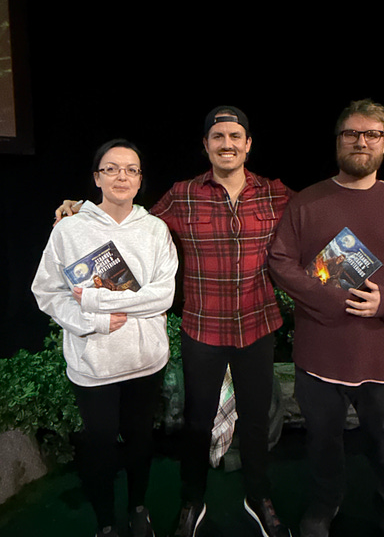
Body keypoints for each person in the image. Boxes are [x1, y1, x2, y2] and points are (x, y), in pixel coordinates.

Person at [55, 107, 294, 537]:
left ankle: (258, 496)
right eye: (217, 136)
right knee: (197, 423)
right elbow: (130, 218)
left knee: (257, 420)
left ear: (248, 144)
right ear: (206, 145)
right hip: (202, 327)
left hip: (258, 325)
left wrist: (381, 188)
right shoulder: (182, 195)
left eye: (235, 136)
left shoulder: (277, 195)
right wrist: (80, 208)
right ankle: (192, 499)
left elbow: (322, 216)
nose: (227, 143)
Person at [267, 99, 384, 537]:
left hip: (383, 362)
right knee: (322, 446)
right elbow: (281, 262)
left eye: (372, 134)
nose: (360, 141)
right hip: (319, 359)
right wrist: (330, 298)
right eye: (351, 133)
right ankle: (324, 507)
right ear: (338, 139)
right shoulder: (307, 202)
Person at [32, 139, 179, 537]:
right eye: (111, 168)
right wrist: (91, 322)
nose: (122, 176)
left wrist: (95, 298)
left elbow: (163, 296)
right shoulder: (70, 229)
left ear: (140, 180)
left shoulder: (155, 229)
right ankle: (105, 522)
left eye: (131, 169)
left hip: (146, 359)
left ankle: (138, 508)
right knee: (98, 446)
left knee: (139, 442)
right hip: (93, 364)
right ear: (97, 177)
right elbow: (47, 292)